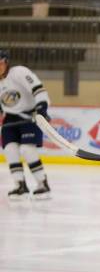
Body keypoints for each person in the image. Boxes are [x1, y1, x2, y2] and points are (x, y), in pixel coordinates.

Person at [0, 49, 52, 200]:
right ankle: (20, 185)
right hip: (10, 119)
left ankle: (42, 183)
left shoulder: (19, 72)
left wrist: (42, 109)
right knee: (10, 150)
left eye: (1, 63)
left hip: (29, 116)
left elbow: (38, 88)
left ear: (6, 62)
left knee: (27, 149)